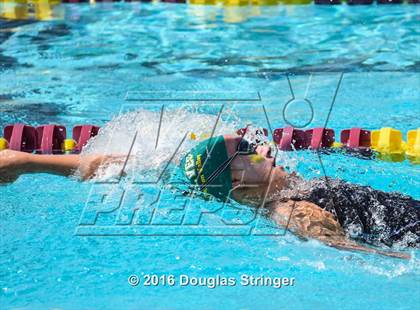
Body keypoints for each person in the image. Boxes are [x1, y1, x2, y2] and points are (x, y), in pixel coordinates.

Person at [1, 134, 418, 259]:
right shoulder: (290, 207)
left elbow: (137, 163)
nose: (257, 149)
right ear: (236, 183)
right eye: (244, 153)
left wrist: (27, 160)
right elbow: (353, 250)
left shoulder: (268, 185)